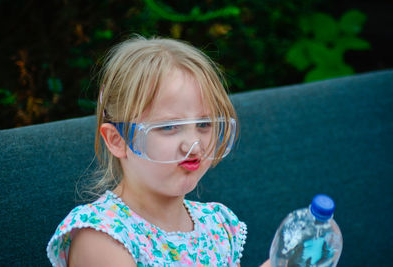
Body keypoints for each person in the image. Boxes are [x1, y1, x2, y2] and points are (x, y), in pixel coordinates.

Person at [47, 36, 270, 267]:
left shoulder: (216, 225)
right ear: (117, 140)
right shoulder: (103, 236)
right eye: (168, 127)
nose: (193, 144)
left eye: (204, 124)